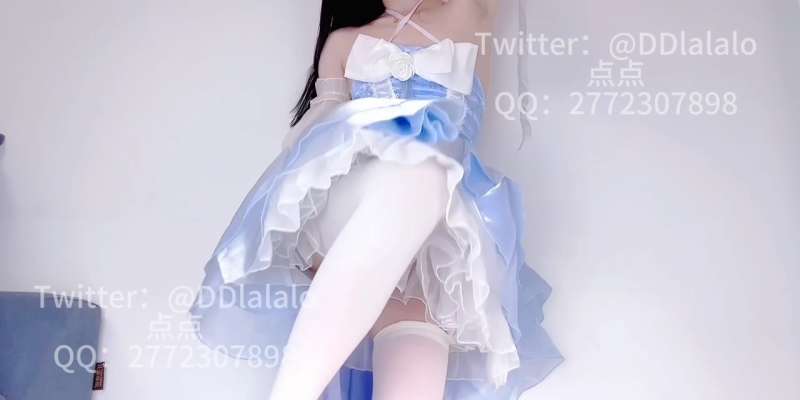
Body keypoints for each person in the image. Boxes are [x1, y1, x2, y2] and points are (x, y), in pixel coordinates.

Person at [189, 1, 562, 399]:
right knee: (423, 173)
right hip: (353, 200)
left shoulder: (470, 12)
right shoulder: (344, 42)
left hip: (437, 243)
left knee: (416, 345)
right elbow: (315, 142)